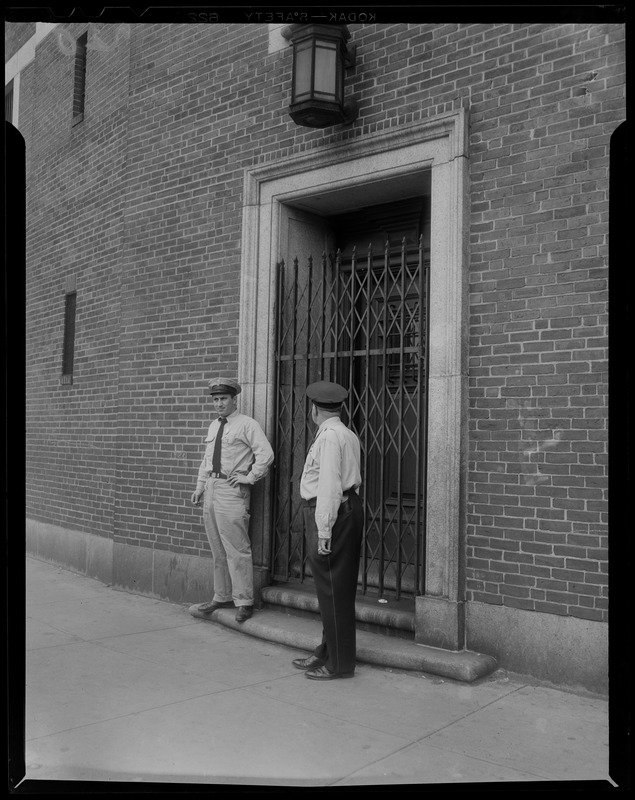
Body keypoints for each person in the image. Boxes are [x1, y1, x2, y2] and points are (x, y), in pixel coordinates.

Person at [292, 380, 363, 680]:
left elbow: (330, 486)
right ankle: (328, 651)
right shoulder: (344, 433)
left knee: (333, 589)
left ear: (314, 409)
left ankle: (340, 664)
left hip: (333, 512)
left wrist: (324, 531)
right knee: (333, 590)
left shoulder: (330, 438)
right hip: (344, 509)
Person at [191, 378, 274, 623]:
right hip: (212, 489)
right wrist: (199, 487)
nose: (219, 404)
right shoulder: (213, 426)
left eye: (223, 399)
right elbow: (207, 460)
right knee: (217, 548)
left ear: (233, 399)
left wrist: (250, 477)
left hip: (232, 489)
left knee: (237, 549)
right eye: (215, 399)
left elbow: (266, 454)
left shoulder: (247, 424)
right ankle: (222, 595)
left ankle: (244, 601)